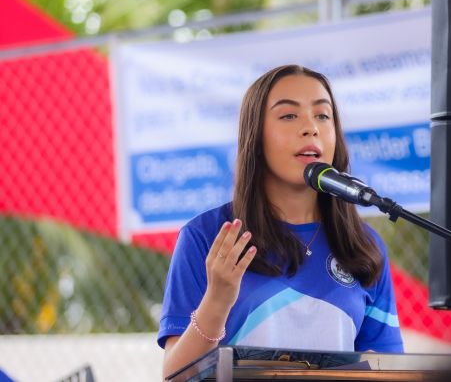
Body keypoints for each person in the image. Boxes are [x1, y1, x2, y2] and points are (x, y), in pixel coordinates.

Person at [158, 64, 403, 379]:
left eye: (322, 116)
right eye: (289, 116)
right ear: (255, 137)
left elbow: (390, 367)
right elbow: (176, 376)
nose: (310, 128)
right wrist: (217, 301)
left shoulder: (364, 246)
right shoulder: (207, 236)